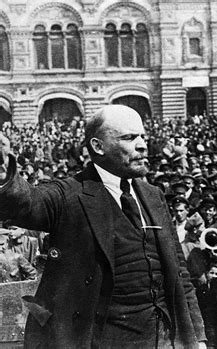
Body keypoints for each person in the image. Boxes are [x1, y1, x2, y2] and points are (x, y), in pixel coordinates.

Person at [0, 105, 206, 348]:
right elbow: (27, 205)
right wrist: (4, 173)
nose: (142, 145)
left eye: (142, 136)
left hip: (165, 339)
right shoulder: (69, 194)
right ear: (98, 146)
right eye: (129, 138)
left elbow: (180, 274)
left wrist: (197, 338)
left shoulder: (154, 196)